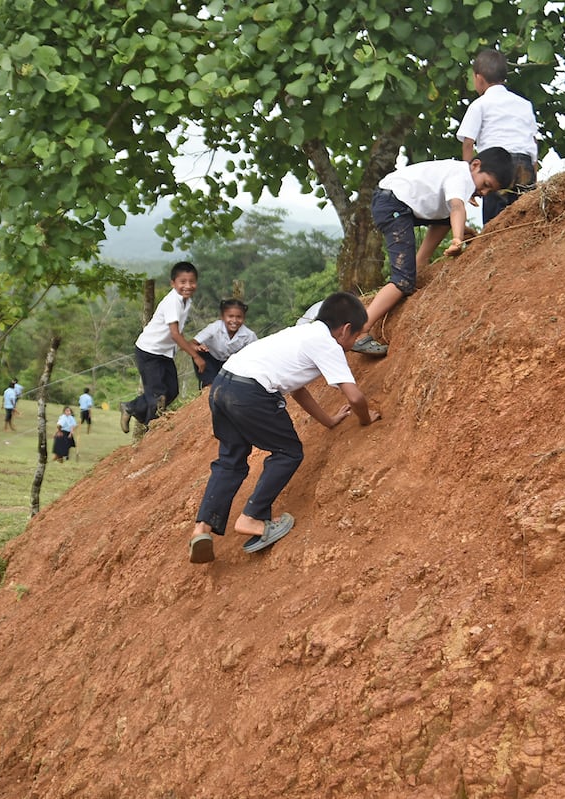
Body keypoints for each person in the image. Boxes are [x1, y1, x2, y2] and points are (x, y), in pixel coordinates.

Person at [187, 292, 381, 564]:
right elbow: (356, 397)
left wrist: (328, 420)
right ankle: (251, 519)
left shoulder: (301, 333)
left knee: (230, 460)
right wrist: (365, 419)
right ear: (346, 329)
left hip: (223, 384)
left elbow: (297, 389)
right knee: (288, 452)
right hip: (250, 392)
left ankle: (202, 529)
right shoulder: (328, 344)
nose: (355, 343)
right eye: (357, 336)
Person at [349, 147, 513, 358]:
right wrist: (457, 239)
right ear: (475, 165)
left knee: (445, 219)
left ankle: (418, 265)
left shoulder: (459, 173)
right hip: (394, 204)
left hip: (392, 198)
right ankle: (359, 331)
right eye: (485, 185)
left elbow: (451, 212)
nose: (482, 193)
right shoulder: (461, 175)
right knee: (402, 280)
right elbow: (456, 207)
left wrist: (464, 230)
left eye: (488, 192)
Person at [457, 48, 539, 224]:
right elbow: (533, 142)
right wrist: (534, 176)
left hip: (496, 167)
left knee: (495, 225)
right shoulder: (524, 104)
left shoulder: (479, 105)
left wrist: (468, 182)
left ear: (478, 78)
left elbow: (468, 143)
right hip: (525, 166)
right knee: (526, 220)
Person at [120, 261, 204, 433]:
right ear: (173, 283)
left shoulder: (185, 301)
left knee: (172, 391)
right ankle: (153, 430)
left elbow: (176, 333)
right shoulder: (173, 301)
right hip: (149, 351)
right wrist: (194, 356)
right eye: (183, 282)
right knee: (158, 396)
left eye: (192, 281)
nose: (188, 286)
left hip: (165, 352)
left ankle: (131, 407)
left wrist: (190, 346)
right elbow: (174, 333)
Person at [192, 298, 258, 388]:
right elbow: (191, 343)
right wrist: (198, 348)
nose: (234, 320)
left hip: (229, 362)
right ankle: (207, 387)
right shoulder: (214, 328)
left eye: (239, 317)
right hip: (210, 358)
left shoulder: (249, 335)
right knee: (210, 383)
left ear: (244, 318)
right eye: (230, 316)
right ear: (222, 317)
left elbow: (257, 354)